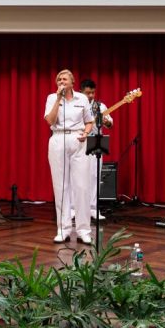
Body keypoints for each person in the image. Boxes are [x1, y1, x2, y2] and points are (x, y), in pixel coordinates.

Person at [45, 69, 94, 244]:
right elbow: (50, 121)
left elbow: (89, 121)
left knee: (81, 186)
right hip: (58, 138)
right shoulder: (52, 98)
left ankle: (83, 230)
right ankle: (63, 229)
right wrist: (58, 99)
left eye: (64, 79)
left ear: (72, 82)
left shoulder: (82, 98)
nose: (61, 81)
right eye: (59, 79)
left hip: (78, 139)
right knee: (61, 187)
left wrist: (86, 133)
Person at [80, 79, 112, 221]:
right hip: (79, 142)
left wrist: (107, 122)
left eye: (93, 92)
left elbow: (110, 123)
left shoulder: (100, 106)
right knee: (78, 177)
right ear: (81, 91)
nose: (91, 95)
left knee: (94, 177)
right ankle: (74, 209)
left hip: (95, 142)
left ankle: (93, 208)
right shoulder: (77, 105)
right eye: (88, 93)